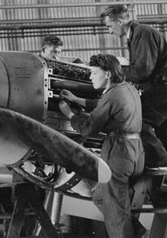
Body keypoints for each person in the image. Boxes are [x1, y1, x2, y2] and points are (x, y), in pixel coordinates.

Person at [58, 54, 144, 238]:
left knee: (115, 212)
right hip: (137, 151)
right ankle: (139, 233)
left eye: (94, 73)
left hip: (119, 153)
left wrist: (69, 115)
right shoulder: (127, 88)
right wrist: (77, 99)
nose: (91, 77)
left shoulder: (112, 95)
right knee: (99, 196)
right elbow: (105, 105)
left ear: (107, 74)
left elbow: (89, 129)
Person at [99, 4, 167, 170]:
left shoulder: (142, 32)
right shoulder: (135, 35)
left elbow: (142, 70)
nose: (110, 31)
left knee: (135, 120)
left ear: (119, 21)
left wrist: (115, 74)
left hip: (166, 87)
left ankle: (159, 161)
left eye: (109, 26)